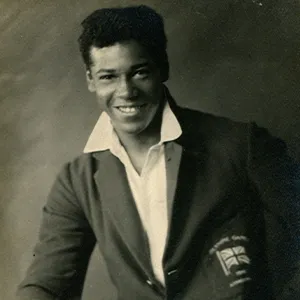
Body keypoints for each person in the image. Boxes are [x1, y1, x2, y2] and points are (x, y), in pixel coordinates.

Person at [17, 5, 300, 300]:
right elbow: (47, 283)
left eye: (139, 73)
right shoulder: (76, 181)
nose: (126, 91)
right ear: (90, 80)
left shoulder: (244, 146)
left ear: (162, 67)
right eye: (108, 77)